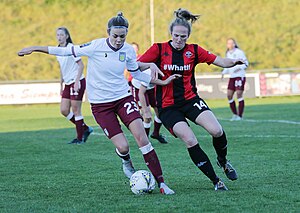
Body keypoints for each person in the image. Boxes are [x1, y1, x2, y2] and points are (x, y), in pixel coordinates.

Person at [18, 12, 181, 195]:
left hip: (123, 98)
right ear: (108, 33)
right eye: (115, 36)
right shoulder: (95, 46)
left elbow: (135, 73)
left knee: (142, 137)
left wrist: (163, 82)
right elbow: (64, 51)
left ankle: (161, 183)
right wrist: (34, 47)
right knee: (123, 147)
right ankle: (126, 162)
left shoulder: (127, 49)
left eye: (122, 36)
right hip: (101, 106)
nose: (119, 40)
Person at [139, 8, 244, 191]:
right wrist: (150, 66)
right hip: (168, 107)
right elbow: (136, 64)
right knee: (190, 140)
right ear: (171, 34)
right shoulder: (159, 48)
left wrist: (234, 62)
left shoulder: (194, 50)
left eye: (183, 36)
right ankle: (216, 181)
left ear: (188, 36)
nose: (179, 40)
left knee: (217, 130)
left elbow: (220, 60)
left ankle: (223, 161)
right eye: (176, 36)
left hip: (190, 99)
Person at [131, 68, 168, 144]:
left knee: (159, 111)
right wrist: (145, 111)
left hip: (150, 88)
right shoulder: (149, 73)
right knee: (147, 116)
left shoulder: (166, 71)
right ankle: (145, 140)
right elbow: (141, 93)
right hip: (139, 88)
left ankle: (156, 133)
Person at [222, 38, 249, 121]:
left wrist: (240, 68)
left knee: (239, 94)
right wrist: (223, 72)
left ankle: (239, 116)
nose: (230, 45)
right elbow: (227, 65)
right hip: (232, 77)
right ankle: (234, 114)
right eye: (228, 43)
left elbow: (246, 63)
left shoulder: (239, 52)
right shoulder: (227, 53)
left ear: (234, 44)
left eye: (231, 43)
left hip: (239, 76)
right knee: (229, 95)